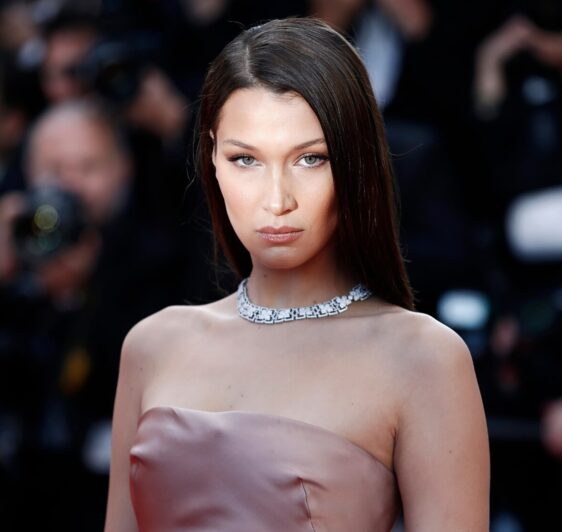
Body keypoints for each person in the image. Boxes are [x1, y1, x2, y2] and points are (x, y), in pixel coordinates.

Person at [105, 17, 490, 531]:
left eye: (310, 159)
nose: (277, 200)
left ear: (356, 162)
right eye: (245, 159)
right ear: (212, 157)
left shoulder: (423, 359)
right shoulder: (153, 345)